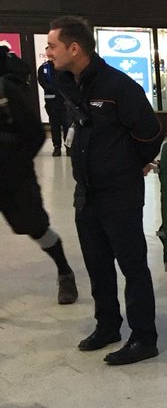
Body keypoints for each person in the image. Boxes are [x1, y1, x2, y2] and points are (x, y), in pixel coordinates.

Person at [46, 16, 163, 365]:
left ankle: (144, 338)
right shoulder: (71, 82)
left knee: (133, 266)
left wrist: (132, 165)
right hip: (87, 192)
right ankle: (108, 325)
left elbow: (150, 134)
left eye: (52, 45)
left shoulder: (119, 86)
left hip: (119, 192)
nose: (47, 52)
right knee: (97, 264)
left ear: (74, 47)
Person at [1, 46, 78, 305]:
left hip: (13, 177)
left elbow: (34, 133)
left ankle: (65, 272)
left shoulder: (5, 89)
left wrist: (14, 164)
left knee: (36, 228)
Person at [37, 52, 69, 156]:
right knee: (54, 125)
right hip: (52, 102)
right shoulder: (44, 68)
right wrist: (55, 90)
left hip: (65, 102)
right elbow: (42, 82)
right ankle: (57, 147)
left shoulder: (65, 66)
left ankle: (69, 147)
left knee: (67, 125)